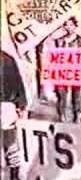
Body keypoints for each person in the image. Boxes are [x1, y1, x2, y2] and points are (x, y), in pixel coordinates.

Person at [53, 17, 81, 123]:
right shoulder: (59, 41)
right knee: (62, 94)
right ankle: (62, 116)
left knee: (78, 94)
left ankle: (78, 116)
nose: (69, 27)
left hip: (77, 71)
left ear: (75, 26)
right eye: (66, 25)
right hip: (63, 71)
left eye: (71, 25)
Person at [0, 50, 28, 180]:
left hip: (6, 105)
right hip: (7, 105)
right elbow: (18, 82)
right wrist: (21, 104)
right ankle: (14, 173)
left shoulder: (7, 58)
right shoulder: (7, 58)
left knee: (9, 140)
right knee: (10, 140)